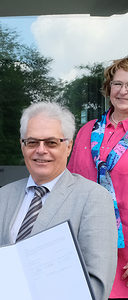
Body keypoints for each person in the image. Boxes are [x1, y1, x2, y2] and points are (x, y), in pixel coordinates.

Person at [0, 101, 117, 300]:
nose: (41, 150)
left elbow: (96, 286)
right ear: (22, 145)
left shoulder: (93, 198)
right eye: (32, 142)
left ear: (68, 145)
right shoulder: (2, 197)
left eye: (51, 142)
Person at [68, 57, 128, 299]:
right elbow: (69, 187)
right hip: (85, 243)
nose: (123, 91)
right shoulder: (87, 131)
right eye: (117, 84)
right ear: (108, 88)